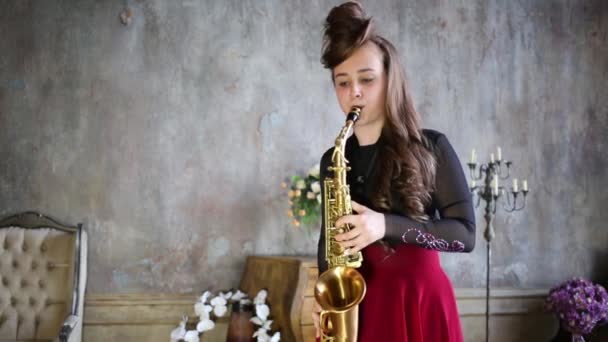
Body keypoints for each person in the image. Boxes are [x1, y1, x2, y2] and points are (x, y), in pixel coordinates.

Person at [312, 2, 476, 341]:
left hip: (418, 301)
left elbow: (465, 236)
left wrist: (385, 225)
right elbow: (328, 239)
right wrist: (323, 297)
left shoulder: (432, 146)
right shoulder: (334, 158)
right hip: (357, 310)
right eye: (342, 82)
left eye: (366, 79)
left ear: (391, 80)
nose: (353, 92)